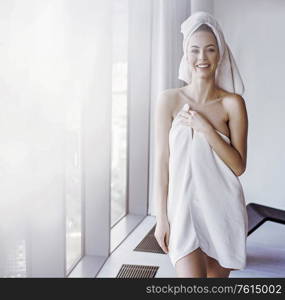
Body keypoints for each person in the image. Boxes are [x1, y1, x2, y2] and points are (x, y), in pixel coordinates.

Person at [153, 11, 248, 278]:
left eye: (210, 49)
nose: (202, 58)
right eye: (194, 50)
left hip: (222, 210)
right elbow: (162, 163)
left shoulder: (233, 104)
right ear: (186, 54)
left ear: (220, 54)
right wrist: (162, 218)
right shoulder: (168, 100)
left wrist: (206, 128)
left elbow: (239, 166)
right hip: (182, 212)